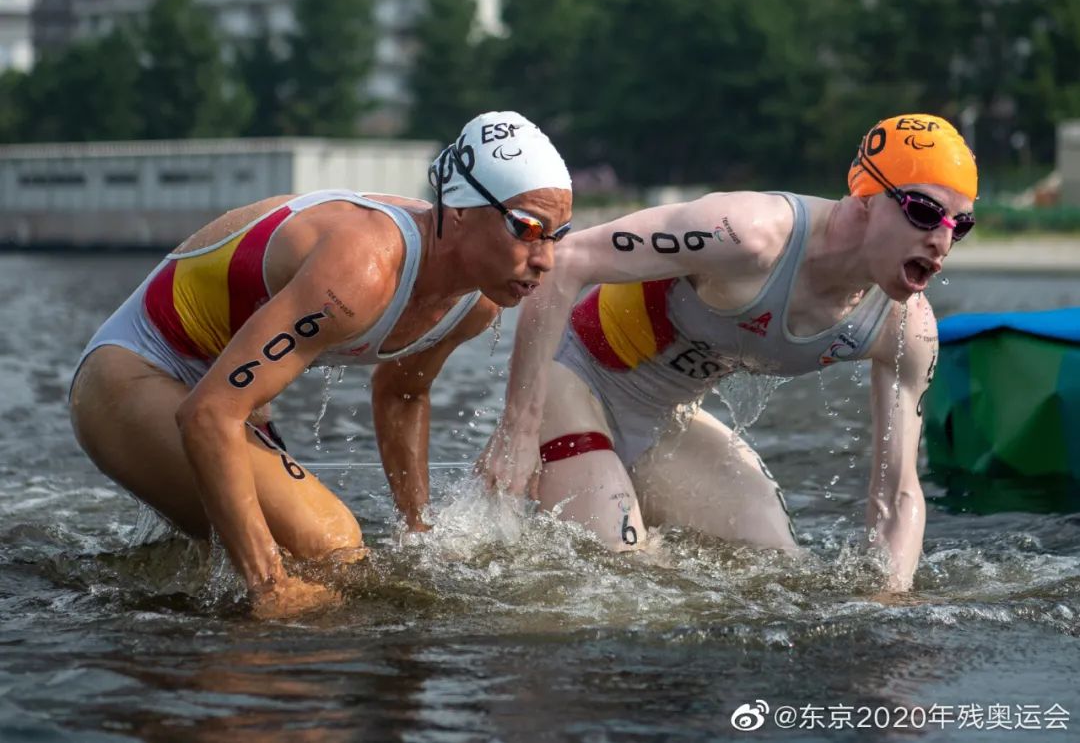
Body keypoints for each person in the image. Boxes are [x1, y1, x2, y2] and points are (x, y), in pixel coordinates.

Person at [69, 111, 573, 618]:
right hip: (133, 374)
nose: (546, 259)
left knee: (309, 566)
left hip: (224, 395)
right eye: (528, 228)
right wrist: (270, 585)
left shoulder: (477, 301)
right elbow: (209, 414)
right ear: (460, 210)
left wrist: (419, 534)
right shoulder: (362, 269)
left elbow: (401, 394)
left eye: (558, 234)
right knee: (329, 545)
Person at [480, 113, 977, 592]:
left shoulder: (905, 328)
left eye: (960, 224)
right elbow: (565, 261)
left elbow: (896, 494)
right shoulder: (749, 234)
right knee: (622, 577)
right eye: (923, 211)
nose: (941, 240)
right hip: (573, 378)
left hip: (665, 418)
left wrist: (889, 608)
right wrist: (517, 429)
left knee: (776, 566)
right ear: (866, 196)